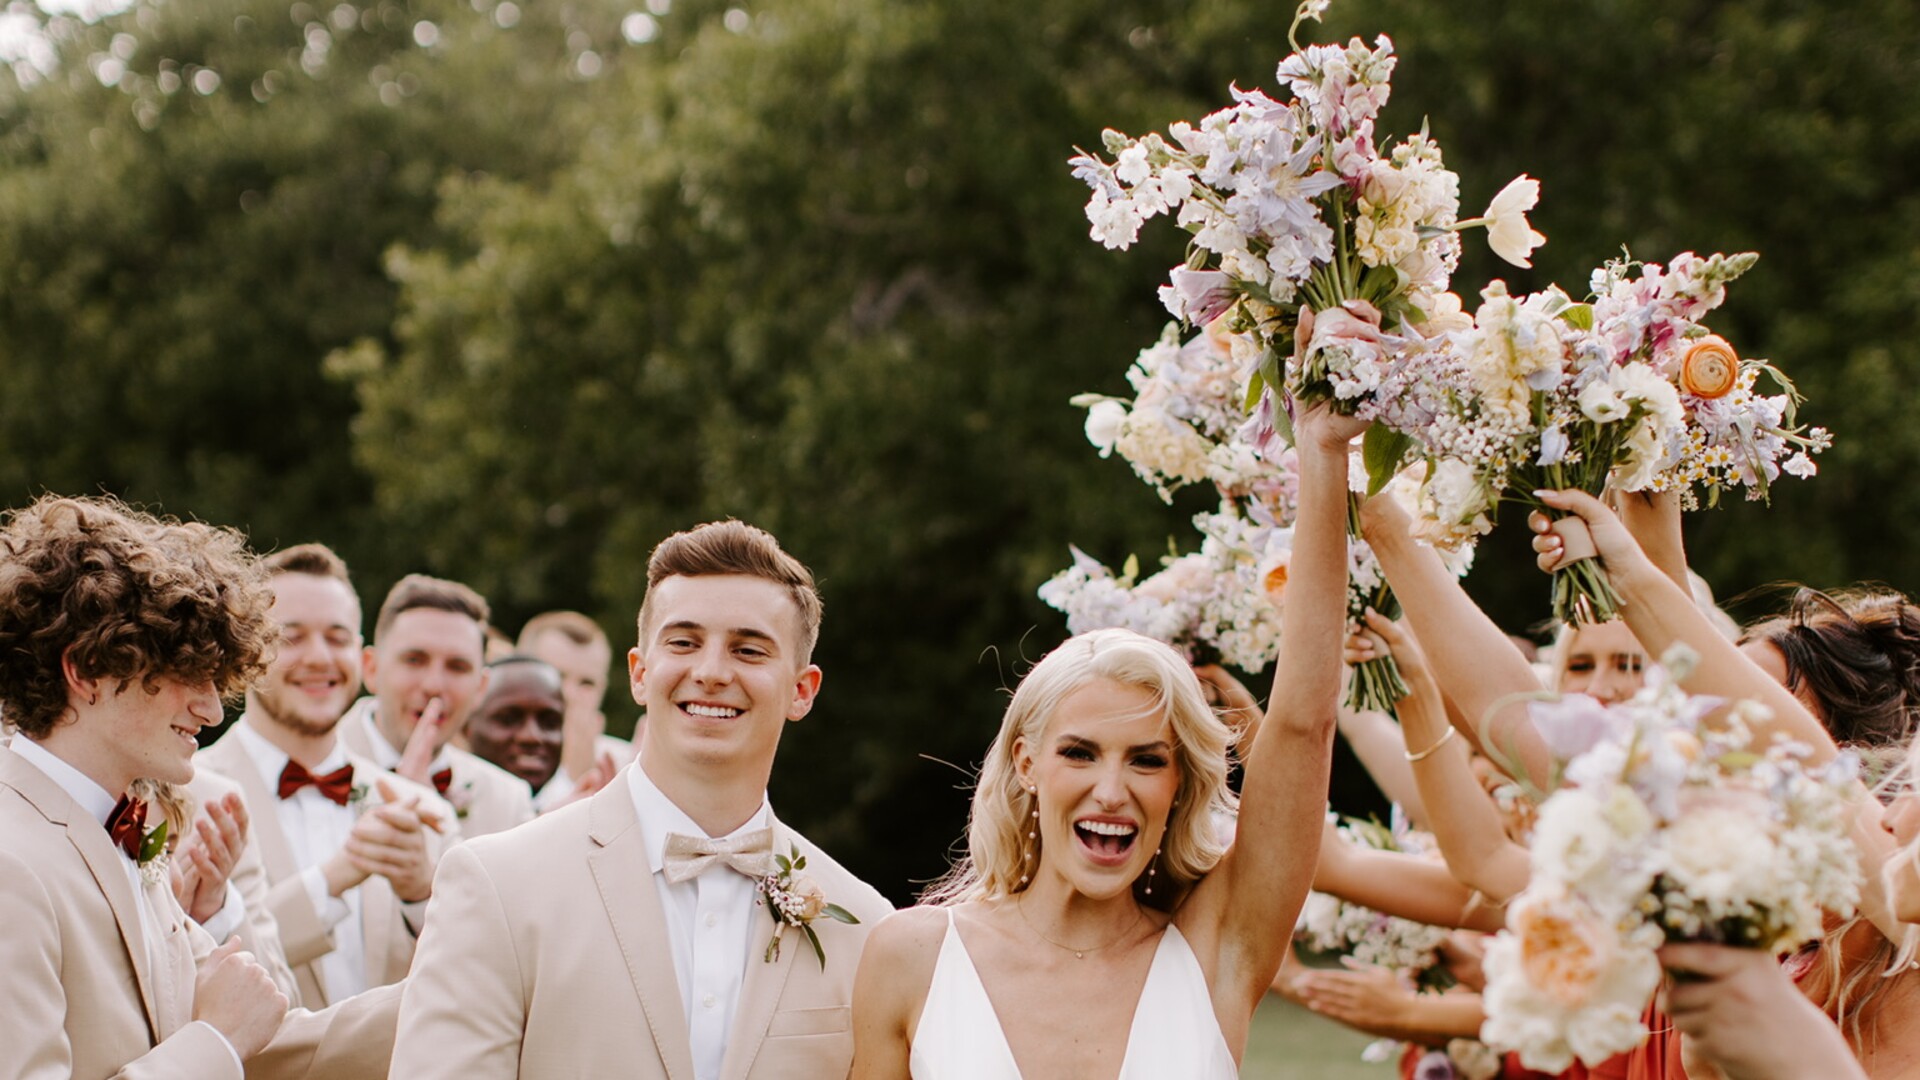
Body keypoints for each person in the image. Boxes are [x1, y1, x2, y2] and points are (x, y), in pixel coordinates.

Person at [849, 405, 1356, 1078]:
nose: (1111, 792)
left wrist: (1322, 452)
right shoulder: (912, 957)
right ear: (1026, 763)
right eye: (1079, 753)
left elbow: (1304, 724)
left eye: (1146, 760)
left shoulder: (1214, 949)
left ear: (1178, 784)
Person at [391, 519, 894, 1079]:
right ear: (639, 673)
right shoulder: (499, 884)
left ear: (801, 691)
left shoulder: (867, 927)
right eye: (683, 643)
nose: (710, 672)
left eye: (749, 650)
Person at [0, 495, 400, 1079]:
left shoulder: (127, 830)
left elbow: (272, 1039)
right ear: (85, 670)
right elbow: (228, 1036)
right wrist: (214, 1040)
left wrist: (471, 977)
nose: (212, 711)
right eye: (187, 674)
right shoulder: (11, 863)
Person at [196, 542, 457, 1009]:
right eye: (291, 637)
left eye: (337, 638)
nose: (319, 658)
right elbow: (194, 966)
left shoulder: (421, 811)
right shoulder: (188, 792)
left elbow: (466, 979)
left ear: (360, 653)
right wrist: (335, 876)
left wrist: (421, 895)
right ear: (246, 650)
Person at [339, 574, 536, 838]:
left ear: (481, 688)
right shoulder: (314, 769)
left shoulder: (507, 801)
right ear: (371, 669)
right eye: (414, 660)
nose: (433, 685)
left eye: (457, 667)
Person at [518, 609, 635, 809]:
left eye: (587, 683)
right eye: (557, 676)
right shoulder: (495, 749)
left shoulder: (625, 764)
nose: (569, 694)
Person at [463, 656, 567, 796]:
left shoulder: (583, 806)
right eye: (508, 719)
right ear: (466, 726)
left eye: (550, 723)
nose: (531, 737)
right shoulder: (438, 802)